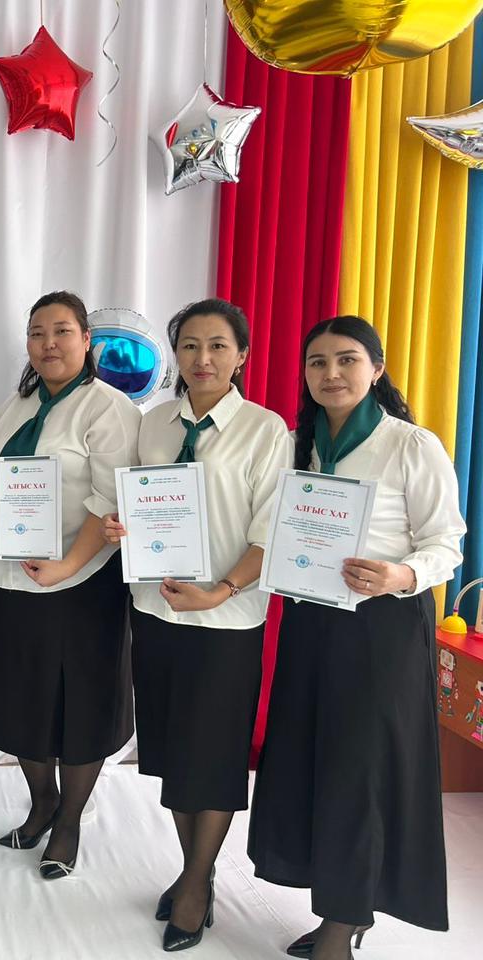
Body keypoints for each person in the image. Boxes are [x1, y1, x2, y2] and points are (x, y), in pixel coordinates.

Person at [248, 316, 464, 960]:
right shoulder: (298, 444)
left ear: (377, 369)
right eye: (317, 362)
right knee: (313, 757)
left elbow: (447, 542)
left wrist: (402, 574)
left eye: (346, 360)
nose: (331, 373)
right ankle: (335, 904)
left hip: (382, 628)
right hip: (311, 621)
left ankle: (343, 925)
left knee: (361, 771)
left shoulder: (410, 445)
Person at [103, 297, 291, 952]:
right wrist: (123, 524)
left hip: (227, 621)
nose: (202, 358)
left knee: (212, 757)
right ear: (175, 355)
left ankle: (194, 884)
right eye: (189, 346)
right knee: (173, 751)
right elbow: (139, 501)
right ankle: (196, 871)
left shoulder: (266, 431)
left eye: (217, 346)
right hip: (157, 612)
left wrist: (222, 590)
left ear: (241, 356)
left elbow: (272, 533)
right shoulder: (154, 423)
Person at [0, 291, 140, 879]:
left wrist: (67, 566)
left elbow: (113, 495)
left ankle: (69, 821)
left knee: (83, 703)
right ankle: (41, 801)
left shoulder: (108, 408)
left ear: (87, 340)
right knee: (22, 697)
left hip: (84, 583)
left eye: (62, 331)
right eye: (37, 333)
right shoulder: (13, 406)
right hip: (13, 577)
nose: (48, 343)